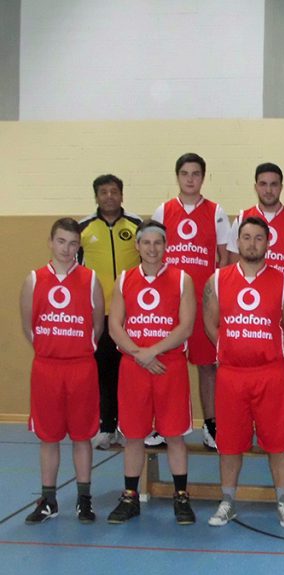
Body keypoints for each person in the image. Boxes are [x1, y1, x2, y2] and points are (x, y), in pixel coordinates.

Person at [204, 217, 284, 528]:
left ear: (268, 242)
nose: (252, 243)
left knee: (279, 442)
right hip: (231, 375)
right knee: (230, 443)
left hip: (270, 374)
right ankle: (227, 501)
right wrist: (231, 347)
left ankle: (283, 502)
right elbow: (210, 323)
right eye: (246, 237)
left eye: (259, 238)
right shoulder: (218, 280)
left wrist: (266, 350)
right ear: (238, 241)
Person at [106, 220, 197, 524]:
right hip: (134, 367)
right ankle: (130, 497)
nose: (152, 248)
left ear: (166, 246)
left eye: (158, 242)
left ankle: (181, 496)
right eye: (146, 243)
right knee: (133, 435)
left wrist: (152, 351)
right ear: (137, 246)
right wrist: (139, 354)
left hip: (168, 366)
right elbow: (114, 325)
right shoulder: (124, 279)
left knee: (174, 435)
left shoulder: (182, 279)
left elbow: (186, 327)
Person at [20, 218, 105, 523]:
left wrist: (74, 347)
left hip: (81, 368)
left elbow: (97, 326)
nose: (67, 249)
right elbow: (29, 327)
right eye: (61, 241)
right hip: (47, 368)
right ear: (50, 242)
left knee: (82, 437)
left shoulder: (91, 279)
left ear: (79, 246)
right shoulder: (34, 279)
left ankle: (84, 500)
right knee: (49, 437)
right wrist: (52, 348)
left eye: (73, 243)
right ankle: (48, 501)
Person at [151, 153, 230, 450]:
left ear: (203, 177)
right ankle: (164, 426)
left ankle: (211, 425)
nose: (190, 179)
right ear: (177, 176)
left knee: (208, 366)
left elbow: (225, 258)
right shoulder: (163, 211)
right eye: (185, 173)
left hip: (202, 304)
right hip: (169, 305)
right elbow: (152, 254)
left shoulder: (216, 212)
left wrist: (216, 299)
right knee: (167, 366)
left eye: (196, 173)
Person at [226, 163, 284, 453]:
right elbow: (231, 265)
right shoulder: (242, 219)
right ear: (256, 186)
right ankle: (246, 431)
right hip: (248, 313)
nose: (269, 189)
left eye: (274, 184)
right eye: (263, 183)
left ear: (281, 187)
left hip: (281, 310)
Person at [79, 174, 142, 450]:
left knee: (130, 373)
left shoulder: (137, 225)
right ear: (96, 196)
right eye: (103, 192)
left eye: (114, 191)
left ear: (122, 195)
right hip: (99, 314)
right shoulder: (83, 228)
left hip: (132, 314)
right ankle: (106, 427)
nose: (109, 196)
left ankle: (129, 426)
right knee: (103, 372)